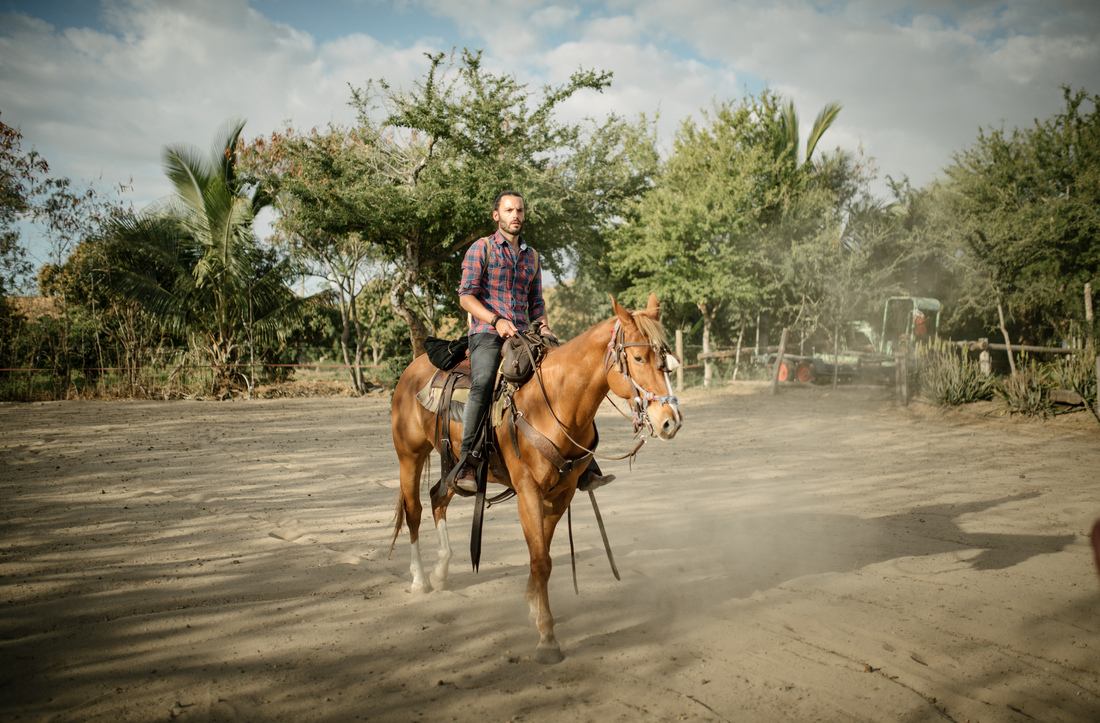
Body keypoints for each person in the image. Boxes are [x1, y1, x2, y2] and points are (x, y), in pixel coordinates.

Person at [452, 190, 613, 494]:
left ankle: (584, 463)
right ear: (496, 215)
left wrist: (543, 325)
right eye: (509, 210)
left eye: (520, 211)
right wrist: (496, 320)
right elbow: (466, 297)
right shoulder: (482, 249)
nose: (516, 216)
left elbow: (536, 302)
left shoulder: (532, 256)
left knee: (571, 376)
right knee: (484, 381)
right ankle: (468, 462)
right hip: (487, 332)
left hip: (525, 334)